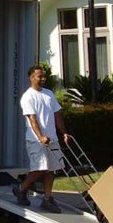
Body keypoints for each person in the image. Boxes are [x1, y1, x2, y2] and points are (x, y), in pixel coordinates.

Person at [12, 65, 71, 213]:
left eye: (44, 76)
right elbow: (32, 119)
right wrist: (40, 137)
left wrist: (64, 133)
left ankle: (48, 198)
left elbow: (57, 114)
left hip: (52, 138)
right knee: (41, 168)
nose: (43, 79)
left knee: (52, 169)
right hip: (35, 140)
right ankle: (21, 188)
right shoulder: (28, 96)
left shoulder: (49, 94)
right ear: (31, 77)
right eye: (40, 76)